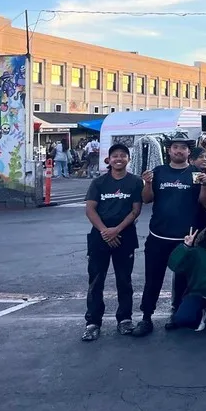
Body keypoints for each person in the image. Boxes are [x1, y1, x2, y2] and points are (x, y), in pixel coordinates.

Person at [133, 133, 206, 337]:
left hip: (186, 239)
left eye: (183, 147)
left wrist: (205, 184)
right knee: (153, 278)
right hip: (159, 236)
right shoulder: (158, 172)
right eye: (175, 147)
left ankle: (177, 314)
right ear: (169, 150)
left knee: (183, 280)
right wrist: (147, 184)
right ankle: (146, 317)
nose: (179, 151)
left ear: (188, 151)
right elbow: (147, 199)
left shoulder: (195, 173)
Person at [81, 144, 144, 341]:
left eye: (123, 155)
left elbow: (136, 210)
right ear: (108, 160)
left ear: (128, 159)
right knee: (96, 281)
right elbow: (90, 209)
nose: (119, 158)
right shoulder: (99, 183)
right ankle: (93, 323)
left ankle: (124, 319)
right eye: (115, 155)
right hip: (99, 237)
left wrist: (116, 230)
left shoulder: (135, 182)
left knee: (124, 280)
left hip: (125, 236)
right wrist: (105, 231)